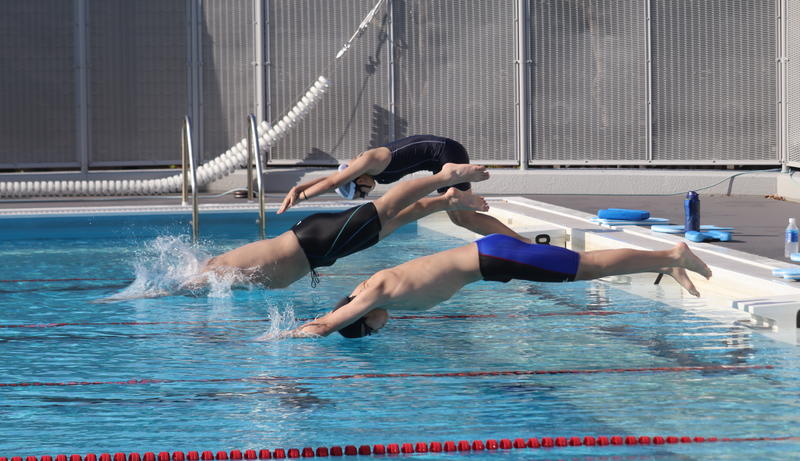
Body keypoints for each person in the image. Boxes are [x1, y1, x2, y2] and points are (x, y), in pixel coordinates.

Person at [291, 234, 713, 338]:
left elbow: (327, 325)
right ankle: (664, 262)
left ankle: (670, 255)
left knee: (587, 268)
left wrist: (286, 335)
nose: (379, 329)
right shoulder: (380, 291)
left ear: (363, 317)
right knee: (585, 269)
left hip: (493, 258)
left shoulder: (374, 294)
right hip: (491, 261)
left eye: (369, 329)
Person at [180, 163, 493, 291]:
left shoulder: (210, 273)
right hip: (317, 248)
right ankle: (447, 200)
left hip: (313, 242)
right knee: (391, 222)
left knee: (385, 210)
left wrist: (162, 292)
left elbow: (188, 284)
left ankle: (445, 177)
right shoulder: (217, 268)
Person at [277, 135, 529, 243]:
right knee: (462, 219)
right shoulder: (360, 169)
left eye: (361, 192)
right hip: (439, 162)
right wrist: (299, 188)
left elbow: (334, 182)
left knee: (464, 217)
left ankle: (521, 242)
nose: (366, 193)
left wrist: (301, 199)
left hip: (446, 153)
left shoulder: (370, 160)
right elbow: (335, 178)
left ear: (355, 179)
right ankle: (519, 241)